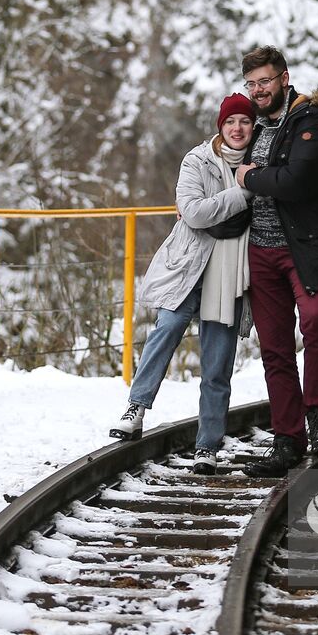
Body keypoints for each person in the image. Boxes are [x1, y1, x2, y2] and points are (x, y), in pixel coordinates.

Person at [234, 45, 318, 476]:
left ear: (284, 79)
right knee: (274, 348)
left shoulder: (311, 118)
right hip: (261, 250)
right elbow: (218, 153)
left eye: (266, 81)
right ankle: (287, 438)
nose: (258, 90)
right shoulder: (251, 125)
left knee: (314, 321)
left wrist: (252, 176)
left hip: (305, 249)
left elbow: (298, 181)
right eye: (252, 84)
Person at [109, 93, 256, 475]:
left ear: (253, 126)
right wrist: (243, 194)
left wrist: (216, 209)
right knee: (167, 328)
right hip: (189, 267)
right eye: (230, 122)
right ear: (220, 128)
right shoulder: (198, 160)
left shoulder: (262, 164)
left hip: (231, 276)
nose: (237, 129)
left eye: (244, 121)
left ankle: (207, 445)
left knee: (218, 363)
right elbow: (192, 212)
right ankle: (136, 407)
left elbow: (209, 212)